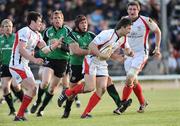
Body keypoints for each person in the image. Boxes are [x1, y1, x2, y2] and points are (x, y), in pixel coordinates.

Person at [58, 17, 134, 118]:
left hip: (102, 63)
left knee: (102, 89)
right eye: (129, 28)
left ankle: (85, 114)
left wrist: (129, 54)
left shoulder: (123, 38)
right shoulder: (107, 34)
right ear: (123, 27)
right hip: (91, 60)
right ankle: (67, 92)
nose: (130, 31)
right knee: (90, 88)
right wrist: (99, 54)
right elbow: (91, 46)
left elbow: (126, 49)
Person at [9, 11, 61, 121]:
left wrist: (55, 45)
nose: (41, 24)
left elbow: (45, 49)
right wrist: (35, 60)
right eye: (39, 22)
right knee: (32, 88)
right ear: (32, 22)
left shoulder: (37, 35)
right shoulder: (24, 31)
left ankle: (19, 115)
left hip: (24, 65)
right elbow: (22, 50)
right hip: (16, 65)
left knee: (33, 90)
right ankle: (19, 115)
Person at [120, 1, 161, 113]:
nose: (132, 11)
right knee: (133, 81)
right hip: (128, 55)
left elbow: (158, 31)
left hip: (141, 54)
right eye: (130, 9)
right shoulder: (123, 20)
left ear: (138, 10)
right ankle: (143, 103)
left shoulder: (146, 20)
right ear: (127, 10)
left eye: (134, 9)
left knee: (130, 77)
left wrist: (157, 48)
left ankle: (122, 104)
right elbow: (119, 35)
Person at [30, 10, 71, 117]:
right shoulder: (47, 31)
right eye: (55, 18)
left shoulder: (68, 31)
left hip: (63, 62)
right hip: (50, 60)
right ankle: (38, 101)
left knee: (52, 89)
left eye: (59, 18)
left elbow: (71, 49)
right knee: (44, 83)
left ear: (63, 20)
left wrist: (59, 45)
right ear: (51, 20)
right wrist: (39, 56)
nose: (57, 20)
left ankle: (41, 109)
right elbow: (42, 47)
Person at [60, 15, 96, 118]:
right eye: (81, 23)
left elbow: (100, 47)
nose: (84, 25)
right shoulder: (71, 35)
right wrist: (92, 51)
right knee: (72, 91)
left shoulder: (92, 35)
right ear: (77, 25)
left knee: (104, 83)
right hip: (77, 66)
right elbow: (77, 51)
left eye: (85, 23)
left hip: (90, 65)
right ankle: (67, 111)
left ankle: (120, 104)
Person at [0, 19, 24, 116]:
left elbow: (23, 49)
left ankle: (24, 106)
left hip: (15, 66)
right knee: (5, 88)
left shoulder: (16, 37)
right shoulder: (0, 39)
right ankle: (12, 110)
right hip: (5, 66)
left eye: (9, 26)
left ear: (12, 27)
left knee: (16, 86)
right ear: (2, 28)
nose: (8, 28)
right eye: (6, 26)